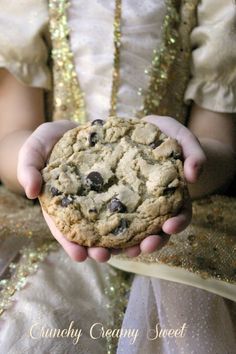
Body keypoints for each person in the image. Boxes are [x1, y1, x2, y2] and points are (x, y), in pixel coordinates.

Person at [0, 0, 235, 353]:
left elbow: (223, 150)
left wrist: (185, 164)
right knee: (36, 329)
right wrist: (35, 161)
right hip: (48, 229)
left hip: (183, 237)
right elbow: (11, 138)